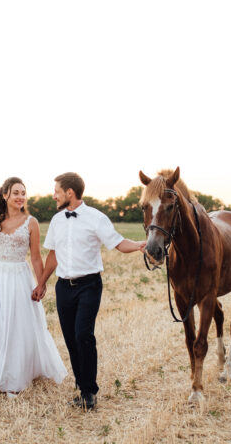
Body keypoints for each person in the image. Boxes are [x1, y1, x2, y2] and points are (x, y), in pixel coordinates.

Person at [32, 172, 146, 410]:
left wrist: (138, 246)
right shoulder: (56, 221)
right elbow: (52, 256)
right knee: (71, 340)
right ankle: (82, 386)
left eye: (57, 191)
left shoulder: (96, 218)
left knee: (84, 334)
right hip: (64, 287)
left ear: (69, 193)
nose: (54, 196)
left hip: (89, 286)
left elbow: (117, 242)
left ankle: (89, 392)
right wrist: (42, 283)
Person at [0, 177, 67, 395]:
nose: (20, 197)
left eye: (23, 193)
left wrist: (41, 282)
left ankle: (13, 378)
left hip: (18, 277)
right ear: (5, 195)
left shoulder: (31, 222)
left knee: (16, 328)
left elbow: (35, 257)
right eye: (16, 193)